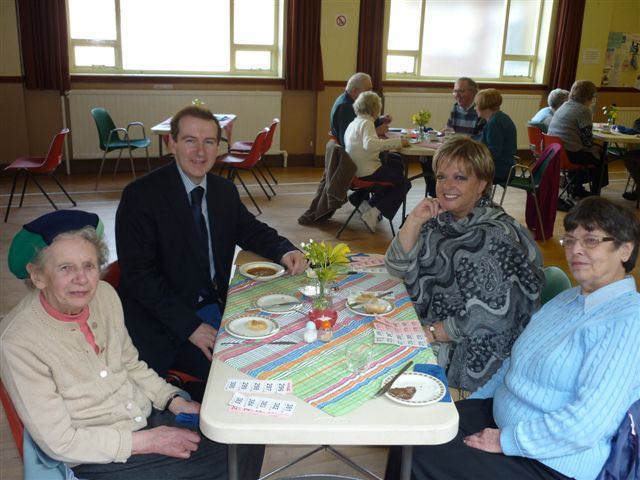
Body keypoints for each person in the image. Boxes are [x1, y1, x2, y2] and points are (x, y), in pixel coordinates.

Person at [386, 196, 640, 480]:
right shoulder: (569, 299)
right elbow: (514, 365)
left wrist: (506, 440)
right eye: (570, 240)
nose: (576, 250)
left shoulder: (629, 322)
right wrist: (469, 406)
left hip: (550, 460)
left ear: (625, 249)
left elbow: (587, 425)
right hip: (499, 418)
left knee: (420, 456)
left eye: (591, 241)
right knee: (412, 432)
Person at [0, 210, 262, 480]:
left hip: (143, 416)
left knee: (244, 433)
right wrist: (149, 441)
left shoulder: (104, 295)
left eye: (89, 265)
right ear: (38, 276)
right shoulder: (18, 341)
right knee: (225, 460)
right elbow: (60, 442)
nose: (82, 279)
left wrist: (172, 400)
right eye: (65, 268)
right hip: (96, 453)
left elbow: (130, 364)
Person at [115, 105, 307, 399]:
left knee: (282, 342)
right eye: (190, 140)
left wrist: (285, 250)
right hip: (165, 321)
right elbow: (139, 277)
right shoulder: (141, 196)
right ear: (172, 143)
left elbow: (250, 230)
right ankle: (187, 396)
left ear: (219, 147)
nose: (200, 152)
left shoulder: (223, 191)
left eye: (208, 142)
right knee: (242, 375)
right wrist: (190, 327)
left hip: (212, 304)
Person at [385, 136, 543, 392]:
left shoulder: (493, 237)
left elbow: (489, 316)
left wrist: (430, 332)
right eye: (441, 177)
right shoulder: (441, 220)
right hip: (435, 324)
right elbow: (395, 267)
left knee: (383, 363)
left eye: (460, 178)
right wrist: (413, 221)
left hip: (478, 348)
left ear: (482, 184)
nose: (447, 186)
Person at [344, 91, 411, 232]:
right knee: (404, 183)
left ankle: (366, 203)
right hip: (367, 171)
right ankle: (373, 212)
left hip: (355, 171)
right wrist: (398, 142)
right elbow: (370, 144)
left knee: (395, 163)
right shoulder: (367, 123)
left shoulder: (354, 122)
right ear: (374, 109)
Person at [548, 79, 607, 197]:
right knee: (601, 156)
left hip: (556, 152)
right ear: (590, 96)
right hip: (569, 154)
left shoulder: (564, 106)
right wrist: (595, 148)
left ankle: (576, 186)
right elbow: (587, 141)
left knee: (590, 153)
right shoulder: (584, 110)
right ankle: (594, 193)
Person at [330, 72, 392, 147]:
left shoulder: (352, 100)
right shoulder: (345, 107)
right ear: (354, 91)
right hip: (349, 153)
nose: (371, 93)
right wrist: (376, 132)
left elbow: (362, 122)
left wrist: (380, 120)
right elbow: (348, 140)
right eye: (368, 90)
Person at [475, 88, 518, 184]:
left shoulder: (495, 123)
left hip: (499, 169)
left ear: (484, 105)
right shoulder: (499, 118)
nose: (475, 108)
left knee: (465, 171)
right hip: (503, 165)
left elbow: (493, 152)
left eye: (476, 104)